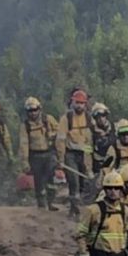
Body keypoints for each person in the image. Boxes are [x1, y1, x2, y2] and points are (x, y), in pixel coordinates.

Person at [56, 89, 94, 217]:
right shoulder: (66, 118)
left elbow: (89, 143)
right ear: (73, 102)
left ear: (85, 104)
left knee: (83, 182)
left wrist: (88, 165)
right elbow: (60, 139)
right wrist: (61, 159)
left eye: (82, 103)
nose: (79, 106)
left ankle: (75, 206)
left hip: (83, 154)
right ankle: (75, 208)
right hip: (70, 154)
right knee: (73, 180)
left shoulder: (89, 118)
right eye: (77, 103)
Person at [18, 97, 59, 211]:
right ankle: (41, 204)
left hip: (49, 153)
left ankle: (50, 202)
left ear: (39, 109)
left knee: (50, 178)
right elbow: (24, 144)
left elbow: (60, 132)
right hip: (35, 155)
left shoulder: (48, 119)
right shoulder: (25, 125)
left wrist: (52, 134)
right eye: (30, 111)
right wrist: (25, 162)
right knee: (39, 180)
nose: (33, 113)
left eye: (35, 109)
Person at [90, 102, 116, 181]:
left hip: (114, 162)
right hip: (98, 164)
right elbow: (87, 151)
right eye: (98, 117)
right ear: (95, 118)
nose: (101, 119)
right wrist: (89, 169)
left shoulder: (115, 128)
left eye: (103, 116)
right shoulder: (90, 132)